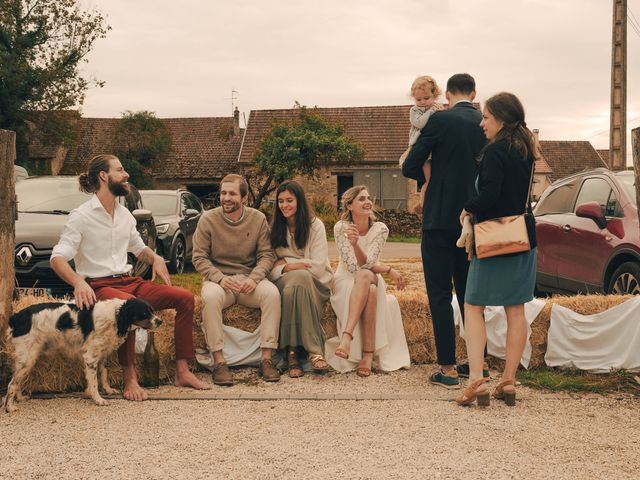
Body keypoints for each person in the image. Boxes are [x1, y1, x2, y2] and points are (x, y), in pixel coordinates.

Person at [50, 154, 209, 401]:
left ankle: (182, 371)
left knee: (186, 297)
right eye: (120, 170)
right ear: (104, 176)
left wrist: (154, 257)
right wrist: (78, 282)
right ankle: (130, 378)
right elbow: (57, 258)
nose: (126, 175)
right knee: (129, 306)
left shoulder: (124, 214)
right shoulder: (81, 215)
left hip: (129, 280)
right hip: (99, 286)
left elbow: (138, 248)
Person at [401, 73, 487, 389]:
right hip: (474, 220)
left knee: (439, 294)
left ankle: (448, 368)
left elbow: (411, 164)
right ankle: (479, 363)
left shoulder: (440, 121)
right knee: (470, 293)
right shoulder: (486, 123)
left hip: (439, 218)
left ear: (447, 94)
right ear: (474, 93)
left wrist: (428, 178)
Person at [456, 92, 537, 407]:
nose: (481, 123)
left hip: (494, 239)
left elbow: (489, 195)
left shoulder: (495, 152)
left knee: (473, 306)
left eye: (486, 117)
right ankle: (509, 381)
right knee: (515, 310)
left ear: (501, 119)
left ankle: (477, 379)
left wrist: (466, 208)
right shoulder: (526, 150)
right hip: (523, 238)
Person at [192, 174, 281, 385]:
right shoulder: (208, 219)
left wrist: (255, 278)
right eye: (223, 193)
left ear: (244, 198)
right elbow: (198, 257)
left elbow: (267, 255)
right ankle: (219, 362)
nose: (226, 198)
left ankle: (266, 359)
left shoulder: (258, 218)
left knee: (272, 295)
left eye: (232, 193)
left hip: (249, 280)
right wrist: (219, 279)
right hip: (220, 281)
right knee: (210, 299)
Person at [325, 185, 410, 376]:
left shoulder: (380, 229)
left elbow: (368, 263)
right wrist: (389, 269)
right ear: (349, 206)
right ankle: (368, 354)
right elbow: (353, 268)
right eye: (361, 199)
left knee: (366, 278)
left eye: (369, 198)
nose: (368, 202)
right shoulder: (340, 228)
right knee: (370, 287)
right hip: (345, 278)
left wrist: (356, 245)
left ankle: (347, 338)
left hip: (369, 274)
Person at [269, 181, 333, 377]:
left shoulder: (315, 226)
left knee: (300, 280)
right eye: (280, 201)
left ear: (299, 201)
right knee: (297, 278)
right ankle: (314, 351)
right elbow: (269, 267)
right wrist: (290, 266)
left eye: (289, 200)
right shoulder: (274, 228)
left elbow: (319, 265)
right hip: (283, 280)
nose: (284, 205)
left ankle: (292, 352)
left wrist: (286, 262)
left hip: (316, 283)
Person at [399, 75, 443, 213]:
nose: (422, 102)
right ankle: (423, 205)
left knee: (432, 179)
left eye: (426, 98)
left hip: (433, 149)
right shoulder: (414, 110)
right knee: (428, 180)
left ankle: (425, 204)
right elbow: (420, 123)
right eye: (418, 99)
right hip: (420, 147)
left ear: (434, 96)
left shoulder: (438, 108)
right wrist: (432, 111)